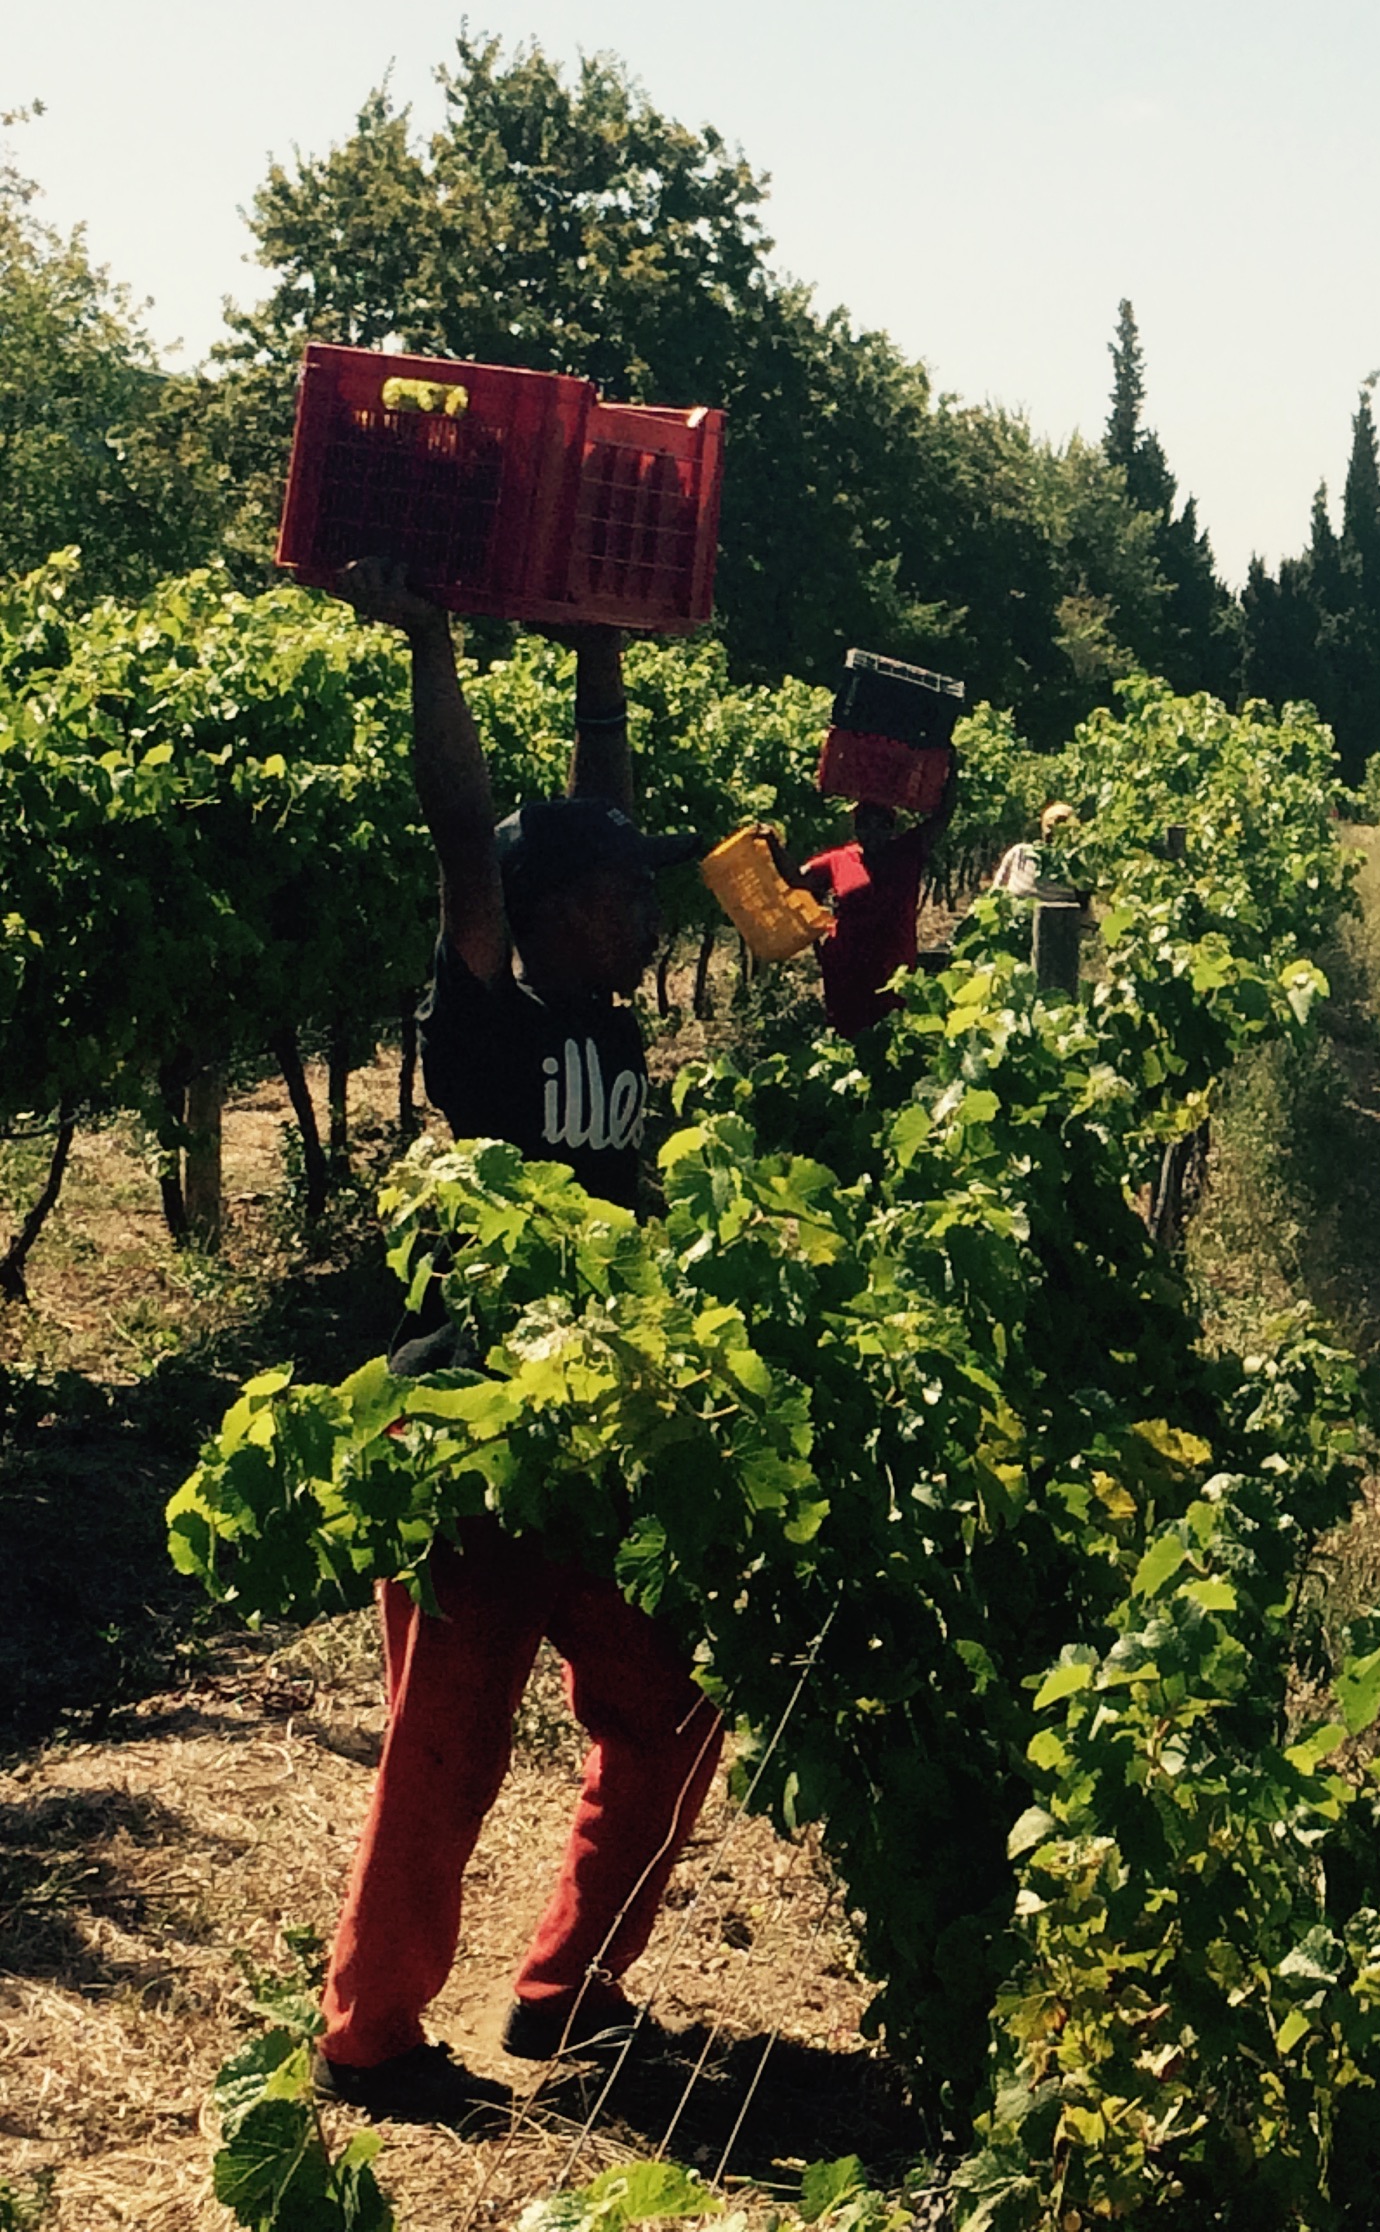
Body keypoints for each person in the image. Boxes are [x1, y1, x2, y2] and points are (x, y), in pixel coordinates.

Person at [315, 562, 725, 2123]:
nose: (647, 911)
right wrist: (432, 644)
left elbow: (588, 808)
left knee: (669, 1702)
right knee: (446, 1744)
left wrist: (603, 656)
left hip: (600, 1433)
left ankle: (567, 1989)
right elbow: (463, 838)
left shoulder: (609, 1019)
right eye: (625, 897)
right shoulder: (487, 1008)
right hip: (475, 1436)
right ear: (548, 914)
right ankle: (369, 2036)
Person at [799, 778, 952, 1036]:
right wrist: (769, 845)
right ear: (856, 828)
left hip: (893, 974)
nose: (872, 834)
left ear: (891, 828)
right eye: (865, 827)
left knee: (894, 1045)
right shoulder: (839, 860)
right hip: (845, 975)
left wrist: (951, 770)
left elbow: (942, 818)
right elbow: (796, 880)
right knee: (848, 1044)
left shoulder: (907, 852)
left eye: (880, 827)